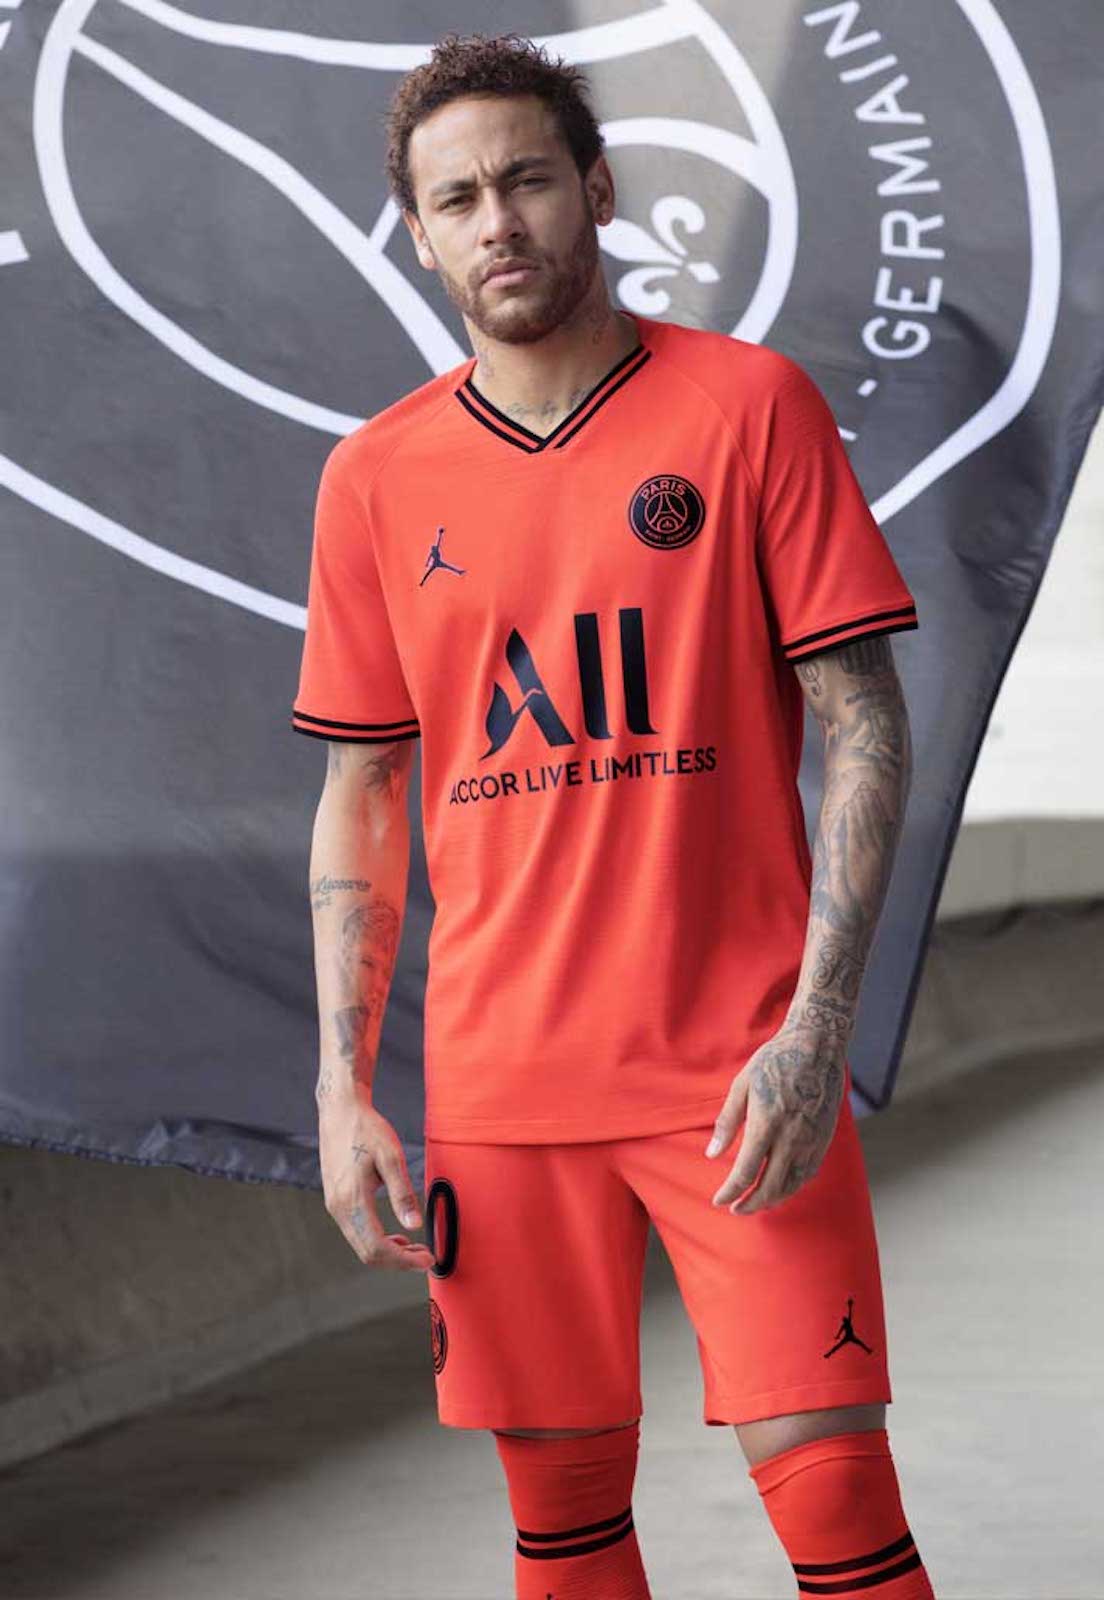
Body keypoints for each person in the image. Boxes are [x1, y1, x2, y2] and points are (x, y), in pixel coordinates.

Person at [292, 29, 936, 1600]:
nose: (496, 221)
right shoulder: (374, 478)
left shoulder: (748, 406)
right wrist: (342, 1089)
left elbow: (862, 724)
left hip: (738, 1071)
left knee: (839, 1504)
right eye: (456, 200)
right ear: (421, 236)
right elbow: (362, 789)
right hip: (501, 1095)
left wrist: (817, 1027)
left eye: (524, 179)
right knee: (564, 1532)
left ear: (595, 189)